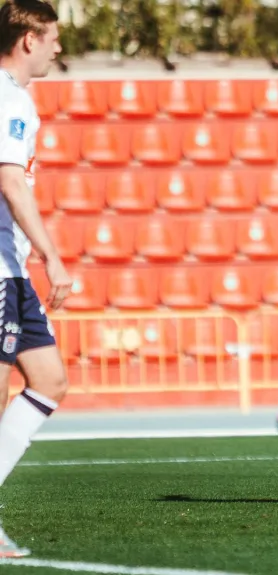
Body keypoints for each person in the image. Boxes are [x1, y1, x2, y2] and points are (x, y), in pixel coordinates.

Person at [0, 0, 72, 558]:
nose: (58, 47)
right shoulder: (5, 97)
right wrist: (52, 254)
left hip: (11, 268)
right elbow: (11, 182)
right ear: (28, 39)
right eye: (52, 38)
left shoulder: (18, 98)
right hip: (2, 268)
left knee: (48, 381)